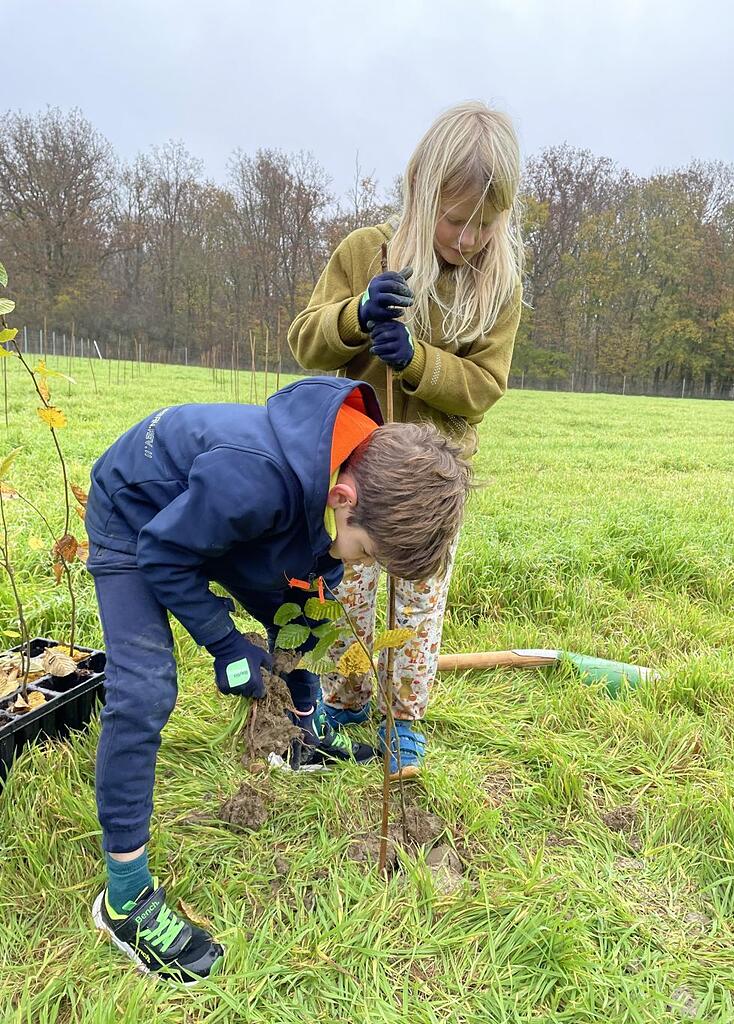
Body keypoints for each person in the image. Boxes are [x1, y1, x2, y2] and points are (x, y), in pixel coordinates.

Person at [85, 375, 471, 983]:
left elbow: (301, 575)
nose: (364, 562)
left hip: (208, 512)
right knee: (146, 689)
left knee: (306, 603)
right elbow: (163, 553)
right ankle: (125, 896)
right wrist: (223, 641)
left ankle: (300, 733)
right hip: (137, 516)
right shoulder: (256, 480)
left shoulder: (342, 470)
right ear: (343, 497)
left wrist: (295, 650)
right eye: (368, 549)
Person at [288, 101, 524, 779]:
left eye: (486, 224)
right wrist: (357, 317)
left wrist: (416, 361)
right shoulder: (367, 253)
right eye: (455, 220)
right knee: (350, 598)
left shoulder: (497, 289)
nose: (469, 238)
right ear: (421, 197)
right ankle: (350, 699)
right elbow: (306, 340)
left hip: (428, 486)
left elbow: (484, 385)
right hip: (357, 479)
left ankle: (405, 720)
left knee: (416, 610)